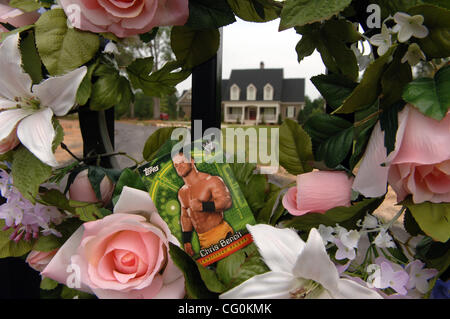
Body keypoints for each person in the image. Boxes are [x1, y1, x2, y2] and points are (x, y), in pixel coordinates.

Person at [172, 151, 233, 256]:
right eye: (176, 165)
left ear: (191, 161)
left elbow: (226, 202)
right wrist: (187, 242)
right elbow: (186, 217)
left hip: (222, 234)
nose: (179, 166)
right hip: (203, 241)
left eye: (182, 162)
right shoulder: (182, 192)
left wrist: (203, 206)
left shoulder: (211, 180)